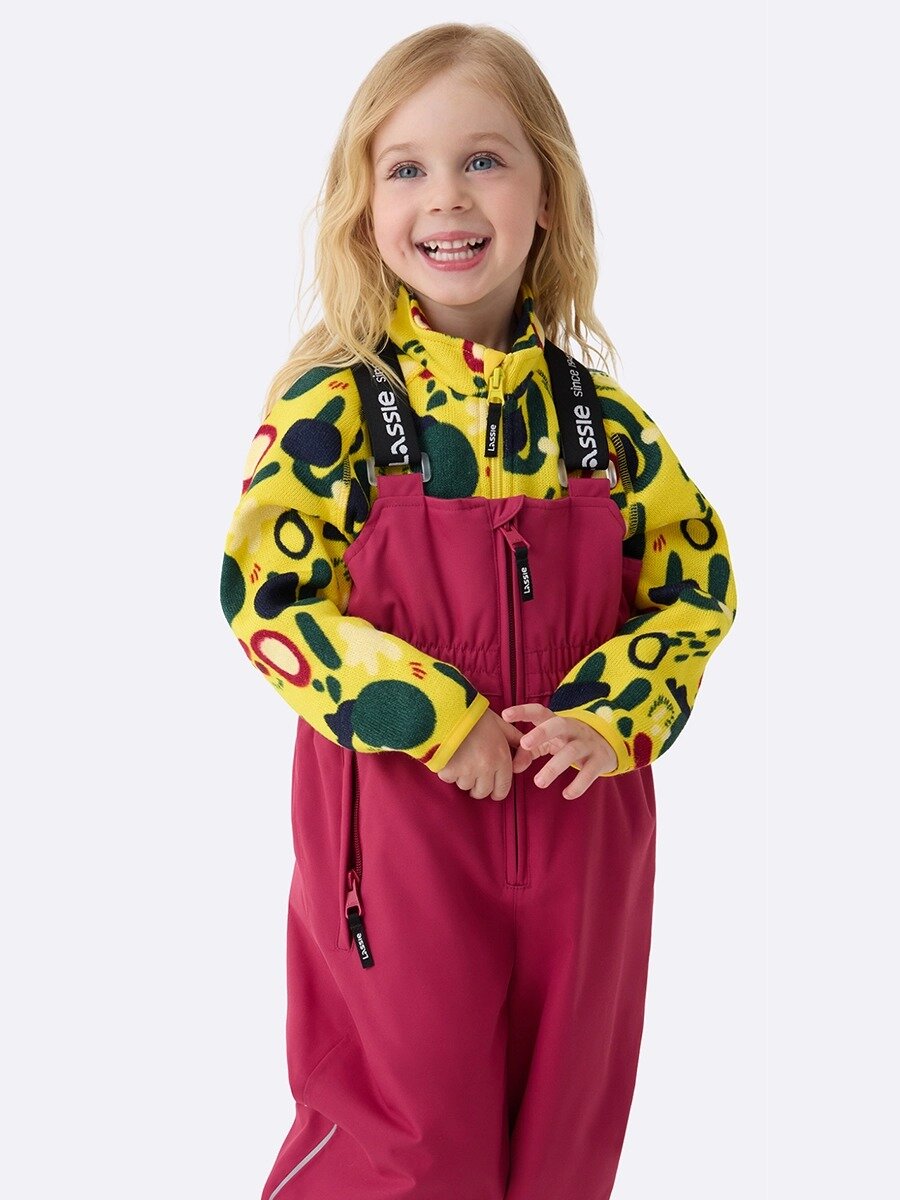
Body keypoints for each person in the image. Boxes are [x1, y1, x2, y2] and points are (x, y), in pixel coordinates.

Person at [219, 21, 737, 1200]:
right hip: (405, 822)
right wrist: (435, 714)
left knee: (564, 1147)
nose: (447, 197)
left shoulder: (603, 425)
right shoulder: (336, 410)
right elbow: (265, 596)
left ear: (546, 195)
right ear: (365, 209)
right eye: (406, 167)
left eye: (484, 161)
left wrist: (611, 714)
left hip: (583, 823)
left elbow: (695, 580)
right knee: (407, 1145)